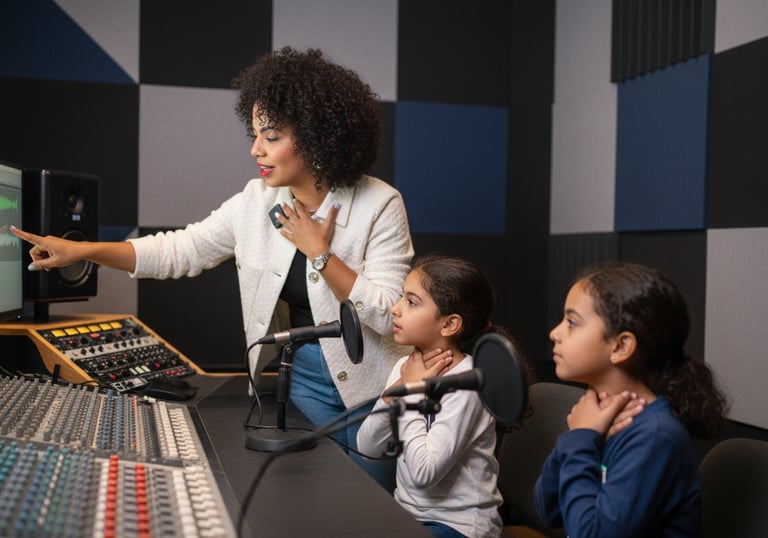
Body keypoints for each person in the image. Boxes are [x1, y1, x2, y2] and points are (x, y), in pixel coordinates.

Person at [11, 47, 413, 490]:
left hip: (377, 388)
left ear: (318, 137)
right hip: (300, 386)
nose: (255, 148)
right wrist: (84, 252)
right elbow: (180, 250)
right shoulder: (254, 202)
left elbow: (392, 315)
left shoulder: (381, 203)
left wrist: (320, 254)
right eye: (255, 133)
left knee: (372, 510)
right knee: (316, 500)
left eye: (271, 136)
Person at [534, 262, 729, 537]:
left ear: (621, 346)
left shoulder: (655, 437)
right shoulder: (595, 418)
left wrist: (578, 440)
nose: (554, 333)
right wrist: (580, 438)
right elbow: (548, 509)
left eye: (572, 322)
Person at [357, 254, 523, 538]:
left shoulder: (469, 382)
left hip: (460, 525)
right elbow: (367, 448)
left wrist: (409, 393)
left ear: (449, 325)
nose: (395, 309)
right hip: (408, 515)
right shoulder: (406, 368)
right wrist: (393, 394)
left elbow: (424, 474)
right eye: (401, 297)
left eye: (411, 302)